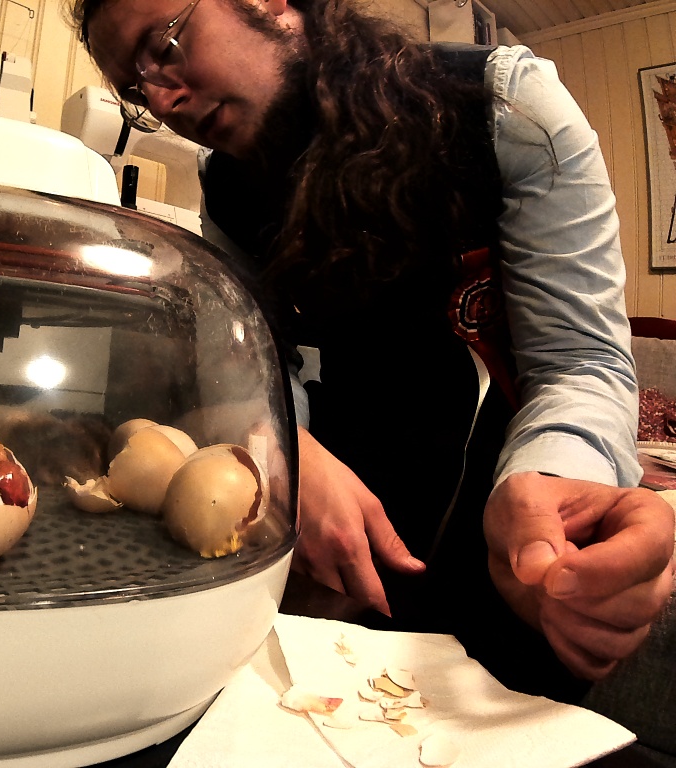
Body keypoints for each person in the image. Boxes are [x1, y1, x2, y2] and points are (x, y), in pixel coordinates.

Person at [69, 0, 676, 701]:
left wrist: (551, 488)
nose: (161, 98)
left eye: (166, 45)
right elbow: (254, 365)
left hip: (507, 543)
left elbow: (581, 362)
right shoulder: (226, 186)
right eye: (135, 86)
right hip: (339, 560)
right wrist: (287, 453)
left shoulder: (503, 106)